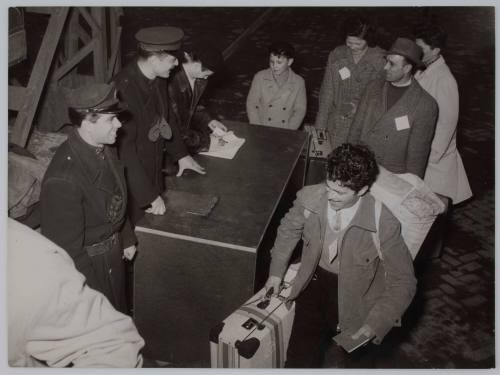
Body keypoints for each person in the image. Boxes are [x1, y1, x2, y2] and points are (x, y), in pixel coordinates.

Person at [265, 143, 416, 368]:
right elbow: (288, 230)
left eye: (341, 192)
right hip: (313, 287)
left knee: (356, 365)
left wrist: (376, 323)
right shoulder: (310, 197)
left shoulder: (383, 222)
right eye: (329, 186)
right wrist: (276, 272)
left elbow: (404, 281)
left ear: (363, 189)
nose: (331, 196)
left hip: (358, 300)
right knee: (298, 360)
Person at [40, 83, 135, 313]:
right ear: (87, 123)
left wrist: (126, 236)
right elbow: (67, 252)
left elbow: (116, 196)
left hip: (111, 251)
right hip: (90, 266)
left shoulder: (102, 147)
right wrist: (91, 294)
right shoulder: (63, 180)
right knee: (106, 321)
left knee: (120, 312)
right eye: (111, 119)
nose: (119, 124)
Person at [8, 218, 144, 368]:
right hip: (91, 265)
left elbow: (115, 346)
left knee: (116, 307)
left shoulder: (29, 268)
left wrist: (127, 237)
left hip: (107, 257)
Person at [113, 26, 205, 224]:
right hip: (132, 179)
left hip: (153, 165)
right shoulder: (125, 89)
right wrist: (148, 195)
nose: (177, 63)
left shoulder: (157, 76)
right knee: (137, 230)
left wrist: (182, 155)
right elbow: (125, 151)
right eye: (172, 59)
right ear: (154, 59)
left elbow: (166, 117)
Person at [414, 23, 473, 258]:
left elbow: (447, 123)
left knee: (435, 209)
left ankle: (429, 254)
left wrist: (430, 155)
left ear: (436, 50)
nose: (416, 52)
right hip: (422, 148)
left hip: (434, 157)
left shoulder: (445, 80)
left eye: (421, 48)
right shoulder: (423, 68)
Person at [348, 37, 438, 178]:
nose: (385, 67)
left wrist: (408, 189)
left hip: (392, 176)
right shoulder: (373, 87)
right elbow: (355, 130)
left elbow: (417, 158)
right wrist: (347, 161)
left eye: (392, 64)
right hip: (360, 168)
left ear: (407, 68)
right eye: (386, 61)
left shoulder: (425, 105)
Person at [315, 16, 386, 149]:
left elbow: (379, 99)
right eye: (349, 42)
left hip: (361, 127)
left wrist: (357, 107)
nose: (352, 46)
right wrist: (319, 129)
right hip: (335, 126)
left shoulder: (380, 60)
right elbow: (327, 94)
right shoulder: (337, 55)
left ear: (369, 39)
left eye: (358, 43)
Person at [168, 40, 228, 154]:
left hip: (185, 139)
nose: (206, 79)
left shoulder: (198, 78)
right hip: (171, 148)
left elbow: (193, 106)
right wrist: (205, 141)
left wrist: (208, 120)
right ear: (197, 65)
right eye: (206, 75)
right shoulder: (171, 85)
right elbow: (175, 130)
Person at [246, 41, 306, 130]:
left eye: (279, 62)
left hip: (285, 130)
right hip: (262, 127)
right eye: (271, 62)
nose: (274, 66)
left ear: (289, 62)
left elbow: (300, 110)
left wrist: (289, 130)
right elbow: (251, 105)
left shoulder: (298, 82)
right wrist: (257, 128)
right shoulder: (260, 77)